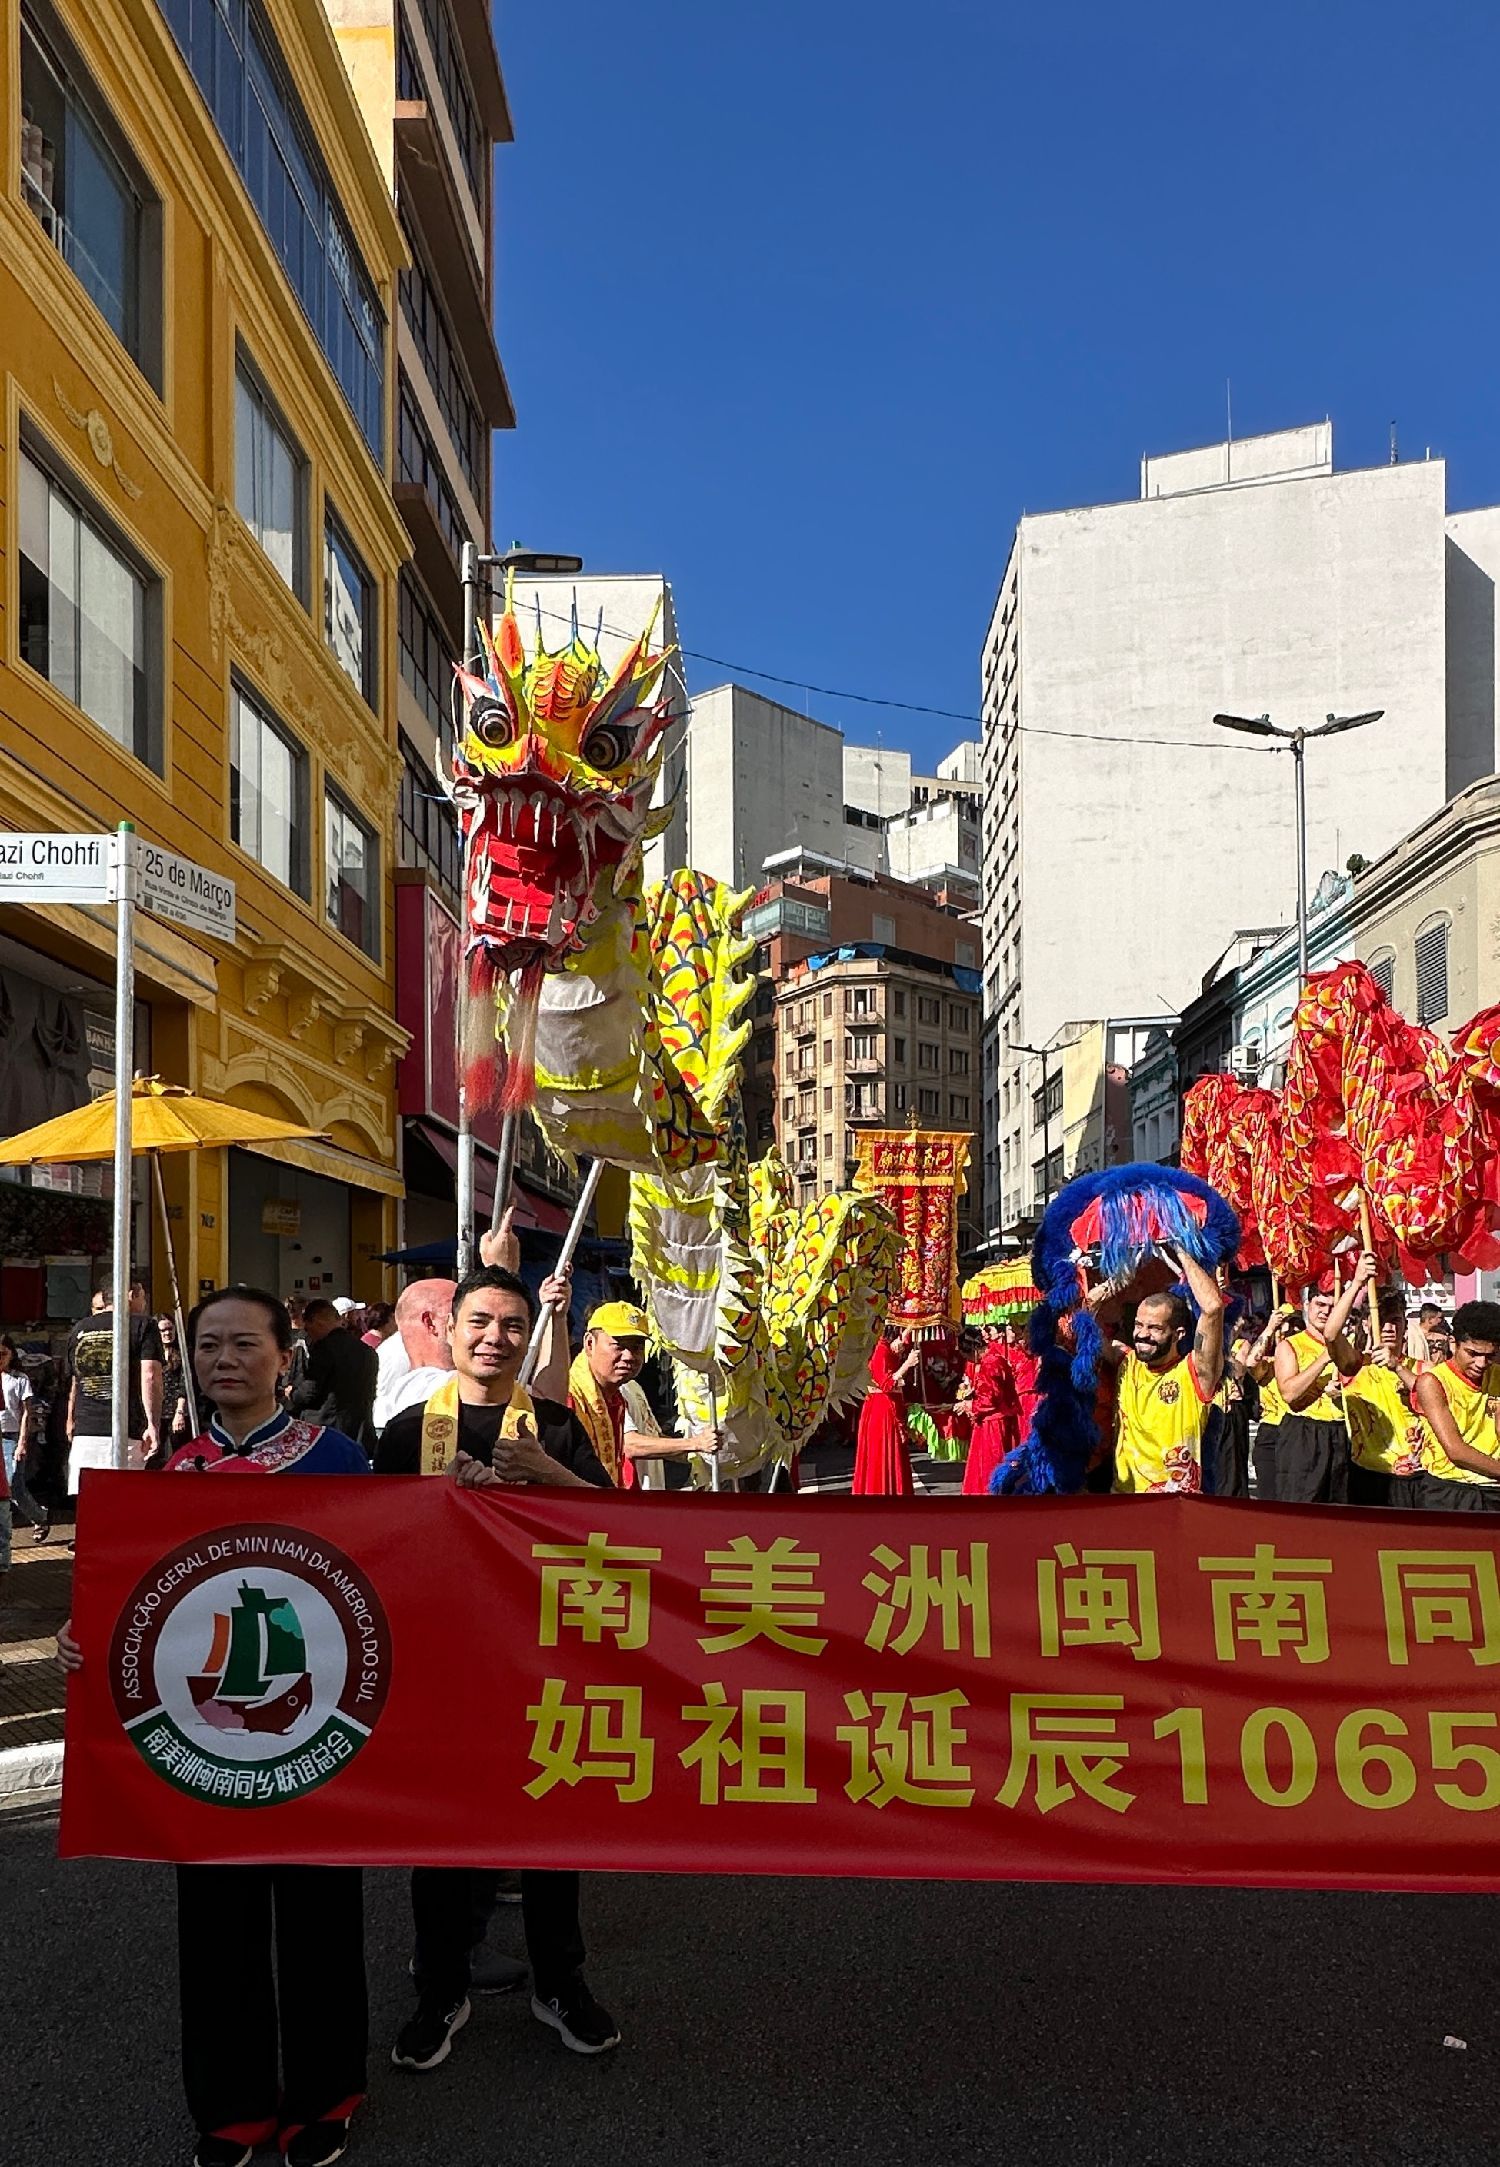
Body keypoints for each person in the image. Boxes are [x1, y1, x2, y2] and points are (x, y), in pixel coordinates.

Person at [57, 1287, 369, 2167]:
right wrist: (84, 1632)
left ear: (284, 1358)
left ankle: (327, 2092)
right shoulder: (173, 1475)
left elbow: (388, 1579)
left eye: (243, 1343)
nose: (223, 1359)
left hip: (317, 1728)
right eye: (206, 1346)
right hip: (208, 1737)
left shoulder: (340, 1460)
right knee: (216, 1922)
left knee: (318, 1919)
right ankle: (232, 2104)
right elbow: (141, 1602)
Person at [375, 1265, 620, 2072]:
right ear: (448, 1331)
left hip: (544, 1662)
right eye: (479, 1321)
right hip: (443, 1667)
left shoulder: (554, 1427)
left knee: (551, 1831)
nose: (495, 1337)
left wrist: (546, 1477)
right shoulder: (407, 1433)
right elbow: (371, 1545)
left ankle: (561, 1983)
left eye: (512, 1324)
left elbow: (623, 1533)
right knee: (444, 1837)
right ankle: (440, 1990)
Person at [1094, 1248, 1225, 1494]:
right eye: (1139, 1325)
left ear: (1178, 1334)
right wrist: (1112, 1285)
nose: (1143, 1334)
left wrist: (1180, 1248)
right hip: (1124, 1501)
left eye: (1155, 1328)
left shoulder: (1195, 1372)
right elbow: (1081, 1318)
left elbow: (1213, 1308)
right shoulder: (1125, 1361)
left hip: (1176, 1505)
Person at [563, 1300, 717, 1488]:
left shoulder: (618, 1395)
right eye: (619, 1345)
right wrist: (694, 1443)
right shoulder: (568, 1396)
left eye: (637, 1347)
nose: (629, 1356)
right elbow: (631, 1445)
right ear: (589, 1343)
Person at [1271, 1255, 1376, 1505]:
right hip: (1305, 1434)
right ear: (1307, 1306)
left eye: (1332, 1306)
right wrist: (1323, 1360)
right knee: (1301, 1508)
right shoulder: (1290, 1345)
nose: (1326, 1311)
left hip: (1342, 1433)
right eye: (1320, 1304)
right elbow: (1289, 1394)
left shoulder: (1347, 1345)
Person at [64, 1277, 164, 1488]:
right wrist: (152, 1423)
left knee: (88, 1500)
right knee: (124, 1499)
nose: (144, 1303)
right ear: (131, 1295)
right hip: (127, 1431)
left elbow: (75, 1380)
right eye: (143, 1297)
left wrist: (71, 1419)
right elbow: (150, 1375)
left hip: (85, 1431)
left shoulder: (79, 1329)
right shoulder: (143, 1325)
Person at [1410, 1299, 1500, 1510]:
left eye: (1490, 1356)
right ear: (1453, 1343)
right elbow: (1456, 1451)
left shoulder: (1497, 1375)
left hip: (1493, 1489)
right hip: (1450, 1490)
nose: (1481, 1364)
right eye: (1473, 1353)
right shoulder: (1432, 1382)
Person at [1343, 1288, 1424, 1507]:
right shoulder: (1352, 1367)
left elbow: (1435, 1400)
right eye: (1381, 1320)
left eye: (1395, 1320)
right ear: (1366, 1324)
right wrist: (1357, 1283)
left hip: (1415, 1477)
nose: (1389, 1328)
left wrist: (1398, 1367)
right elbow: (1332, 1336)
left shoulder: (1422, 1369)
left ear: (1405, 1325)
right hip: (1367, 1474)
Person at [289, 1298, 377, 1448]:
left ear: (318, 1322)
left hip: (326, 1430)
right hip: (360, 1431)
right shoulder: (367, 1350)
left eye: (309, 1329)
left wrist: (292, 1393)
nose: (309, 1335)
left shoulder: (323, 1350)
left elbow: (309, 1392)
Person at [852, 1326, 920, 1495]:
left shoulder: (884, 1347)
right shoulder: (880, 1349)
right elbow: (887, 1383)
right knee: (883, 1454)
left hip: (884, 1405)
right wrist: (907, 1364)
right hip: (882, 1408)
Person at [0, 1333, 48, 1543]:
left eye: (3, 1354)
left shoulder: (19, 1379)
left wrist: (22, 1442)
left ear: (11, 1354)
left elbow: (26, 1413)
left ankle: (39, 1517)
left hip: (11, 1437)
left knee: (13, 1485)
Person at [961, 1328, 1021, 1495]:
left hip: (993, 1424)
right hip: (999, 1419)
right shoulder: (996, 1359)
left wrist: (970, 1405)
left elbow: (989, 1399)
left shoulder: (990, 1363)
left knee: (989, 1467)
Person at [1249, 1307, 1295, 1499]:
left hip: (1298, 1432)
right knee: (1269, 1497)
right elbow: (1251, 1363)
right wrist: (1269, 1329)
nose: (1290, 1333)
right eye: (1284, 1329)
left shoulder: (1310, 1361)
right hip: (1271, 1433)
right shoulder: (1268, 1364)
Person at [157, 1315, 195, 1458]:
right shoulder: (152, 1354)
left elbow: (184, 1384)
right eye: (163, 1330)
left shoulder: (183, 1353)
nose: (167, 1333)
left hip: (177, 1411)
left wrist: (179, 1412)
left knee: (180, 1454)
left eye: (170, 1329)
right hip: (157, 1413)